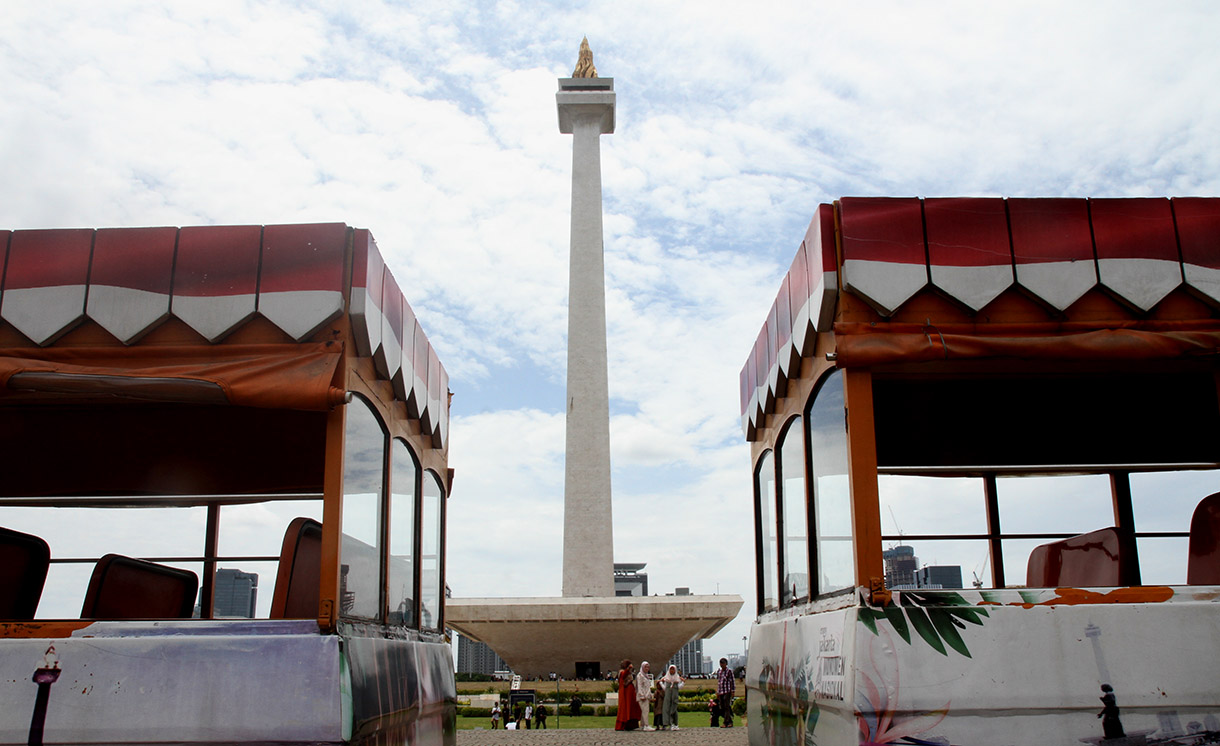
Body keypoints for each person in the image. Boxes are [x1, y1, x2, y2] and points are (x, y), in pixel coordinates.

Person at [614, 659, 641, 731]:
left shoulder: (627, 672)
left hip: (630, 691)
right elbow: (623, 675)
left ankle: (631, 724)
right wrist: (628, 668)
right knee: (626, 707)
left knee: (631, 707)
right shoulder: (622, 672)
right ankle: (624, 724)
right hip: (626, 692)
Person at [660, 664, 685, 730]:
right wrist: (661, 683)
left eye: (673, 669)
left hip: (674, 697)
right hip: (668, 697)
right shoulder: (666, 679)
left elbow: (679, 687)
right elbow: (665, 688)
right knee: (666, 709)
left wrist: (683, 682)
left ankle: (674, 723)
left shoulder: (677, 678)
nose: (672, 671)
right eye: (671, 669)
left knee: (674, 710)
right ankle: (666, 723)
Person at [715, 657, 736, 728]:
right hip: (721, 691)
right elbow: (719, 682)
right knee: (723, 707)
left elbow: (732, 681)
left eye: (723, 663)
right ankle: (729, 721)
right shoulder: (720, 672)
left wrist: (733, 691)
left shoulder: (729, 671)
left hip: (727, 691)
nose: (722, 665)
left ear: (726, 664)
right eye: (721, 663)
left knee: (727, 706)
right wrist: (718, 692)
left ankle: (725, 722)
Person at [636, 661, 655, 730]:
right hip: (643, 696)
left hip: (646, 695)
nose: (647, 668)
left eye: (648, 667)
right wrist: (642, 695)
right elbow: (639, 686)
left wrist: (650, 695)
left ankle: (643, 725)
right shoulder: (640, 675)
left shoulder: (646, 675)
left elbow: (647, 687)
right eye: (645, 667)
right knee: (645, 711)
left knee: (644, 711)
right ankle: (646, 725)